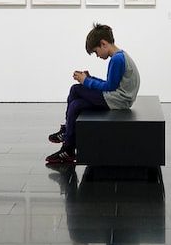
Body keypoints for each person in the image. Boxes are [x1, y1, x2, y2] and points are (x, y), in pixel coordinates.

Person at [45, 23, 140, 165]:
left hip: (117, 100)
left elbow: (110, 86)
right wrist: (90, 79)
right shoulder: (120, 56)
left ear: (103, 44)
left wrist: (86, 81)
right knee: (76, 105)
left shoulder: (117, 59)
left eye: (96, 52)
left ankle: (66, 133)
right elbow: (111, 84)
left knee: (75, 89)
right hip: (117, 98)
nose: (97, 56)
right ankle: (68, 149)